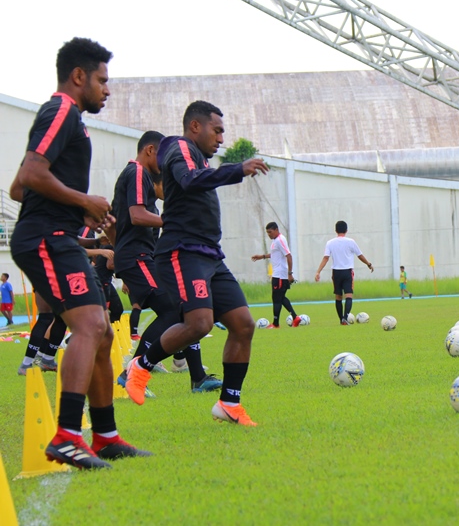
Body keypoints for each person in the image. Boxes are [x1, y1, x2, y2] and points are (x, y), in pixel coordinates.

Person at [8, 37, 148, 469]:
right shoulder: (61, 111)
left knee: (103, 330)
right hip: (44, 238)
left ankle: (105, 436)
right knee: (90, 324)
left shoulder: (68, 119)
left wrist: (77, 210)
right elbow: (31, 174)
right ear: (78, 77)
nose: (107, 90)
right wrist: (84, 201)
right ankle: (67, 436)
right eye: (102, 81)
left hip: (56, 233)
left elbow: (18, 187)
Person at [124, 100, 269, 426]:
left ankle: (229, 403)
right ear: (195, 127)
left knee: (243, 325)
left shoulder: (198, 158)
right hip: (182, 253)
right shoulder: (178, 147)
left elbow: (196, 180)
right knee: (199, 324)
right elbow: (189, 180)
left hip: (209, 256)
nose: (221, 138)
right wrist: (237, 169)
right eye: (217, 130)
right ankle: (140, 366)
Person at [111, 131, 219, 392]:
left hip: (141, 256)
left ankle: (198, 377)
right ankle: (132, 372)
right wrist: (174, 223)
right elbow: (137, 216)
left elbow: (114, 223)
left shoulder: (140, 178)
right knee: (174, 310)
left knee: (186, 308)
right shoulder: (136, 172)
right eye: (162, 157)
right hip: (137, 257)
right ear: (150, 150)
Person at [314, 221, 374, 324]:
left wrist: (318, 271)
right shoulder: (350, 242)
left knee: (338, 296)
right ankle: (345, 317)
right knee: (349, 295)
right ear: (346, 230)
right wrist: (368, 264)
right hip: (347, 271)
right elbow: (359, 255)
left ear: (335, 230)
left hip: (336, 272)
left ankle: (341, 319)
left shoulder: (330, 243)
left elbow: (325, 258)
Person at [251, 222, 301, 328]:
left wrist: (290, 274)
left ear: (276, 230)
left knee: (277, 298)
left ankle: (276, 324)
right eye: (267, 233)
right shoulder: (275, 241)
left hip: (280, 275)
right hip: (278, 274)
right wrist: (262, 256)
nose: (269, 234)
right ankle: (295, 317)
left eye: (270, 232)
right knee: (281, 298)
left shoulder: (280, 240)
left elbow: (289, 256)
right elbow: (275, 254)